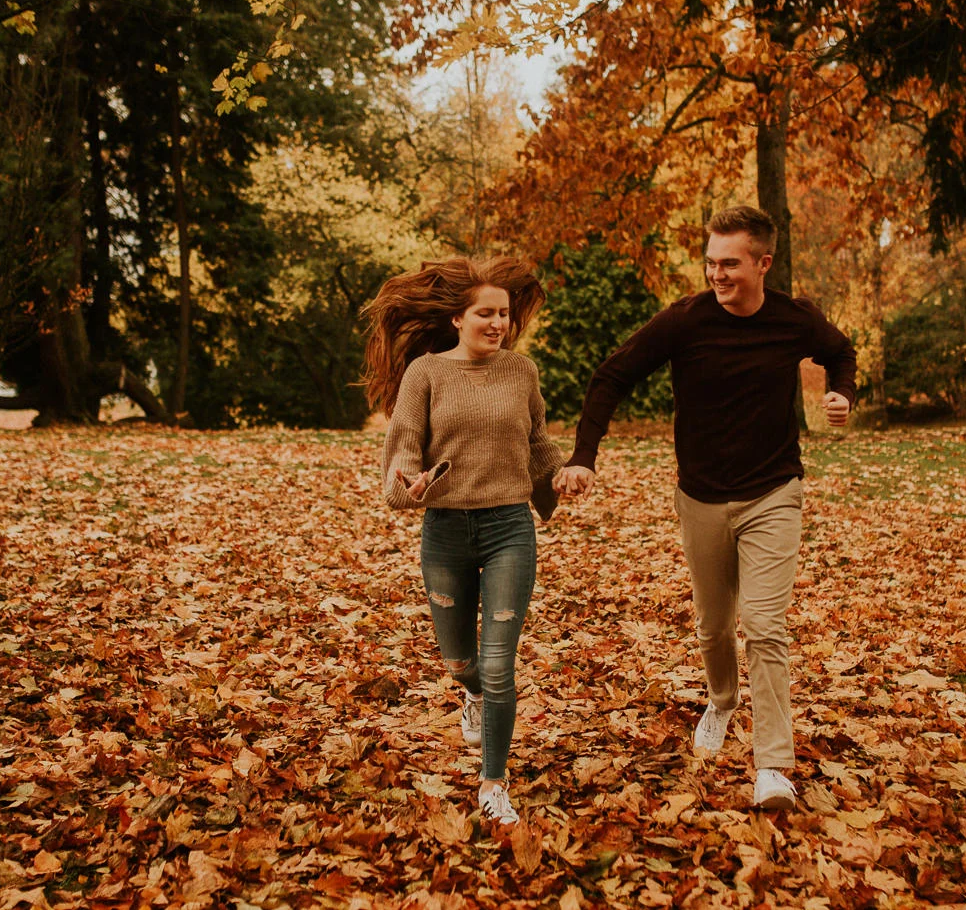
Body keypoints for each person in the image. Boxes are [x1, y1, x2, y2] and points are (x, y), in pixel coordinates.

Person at [554, 205, 856, 810]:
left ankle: (773, 766)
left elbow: (839, 351)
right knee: (714, 626)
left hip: (774, 491)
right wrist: (585, 453)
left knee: (765, 626)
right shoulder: (683, 322)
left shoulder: (795, 319)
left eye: (730, 264)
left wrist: (841, 391)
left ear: (764, 263)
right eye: (711, 263)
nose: (717, 275)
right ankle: (722, 700)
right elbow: (611, 377)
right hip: (700, 495)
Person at [363, 256, 563, 827]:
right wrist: (410, 483)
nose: (497, 323)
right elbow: (403, 449)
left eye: (503, 313)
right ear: (457, 317)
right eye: (485, 313)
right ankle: (471, 692)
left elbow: (537, 444)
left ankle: (493, 783)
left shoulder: (521, 372)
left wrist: (566, 473)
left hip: (508, 530)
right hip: (446, 532)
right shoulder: (424, 374)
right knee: (459, 662)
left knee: (500, 665)